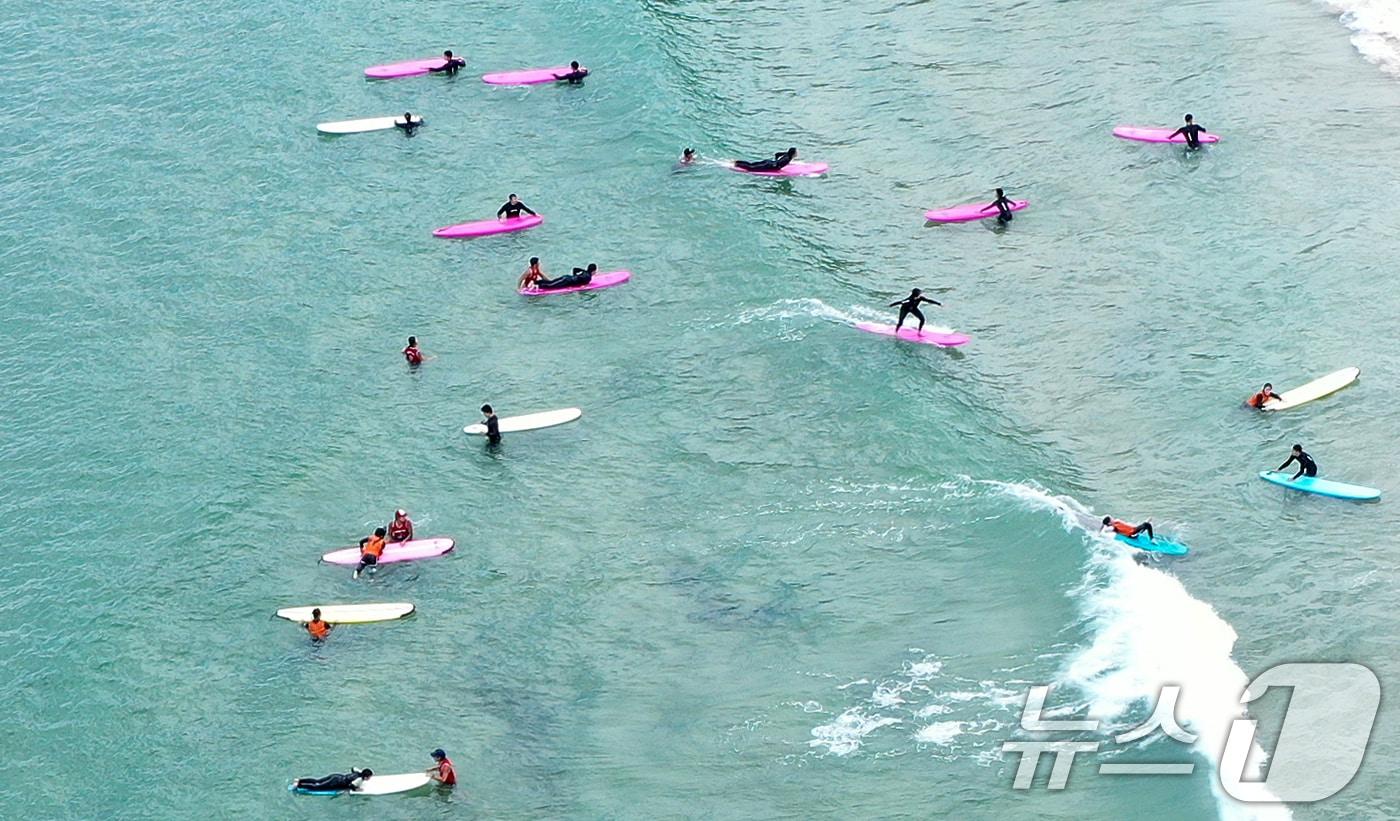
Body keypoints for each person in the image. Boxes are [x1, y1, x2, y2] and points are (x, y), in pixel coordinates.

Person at [294, 768, 372, 793]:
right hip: (334, 782)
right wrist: (357, 789)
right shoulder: (359, 780)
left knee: (317, 781)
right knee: (317, 787)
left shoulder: (358, 772)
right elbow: (352, 785)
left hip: (336, 776)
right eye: (369, 777)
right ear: (365, 777)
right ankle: (298, 785)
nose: (370, 778)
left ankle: (299, 780)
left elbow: (353, 768)